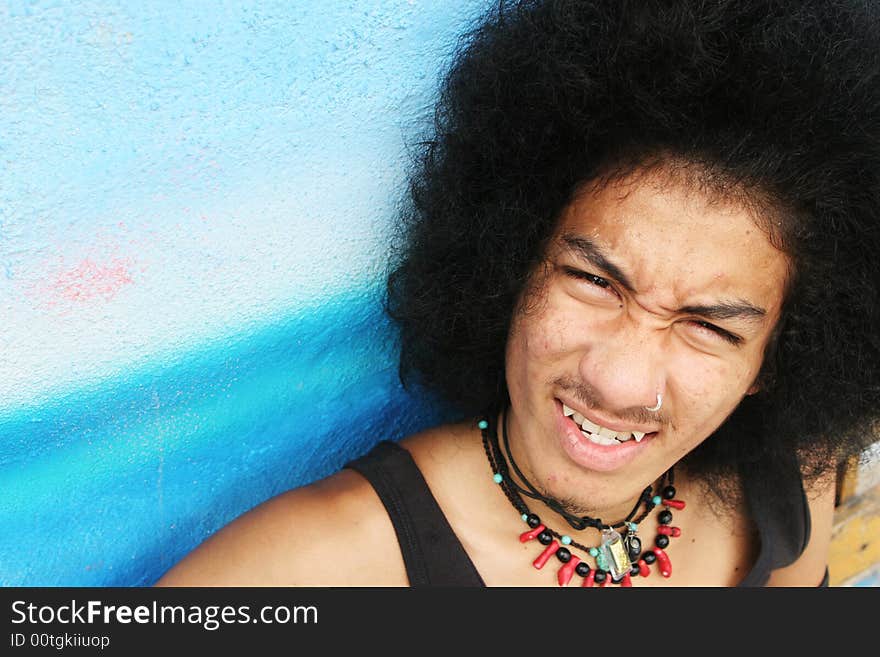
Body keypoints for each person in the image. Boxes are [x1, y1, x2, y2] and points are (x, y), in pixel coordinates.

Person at [156, 0, 880, 587]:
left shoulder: (788, 482)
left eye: (709, 327)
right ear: (510, 263)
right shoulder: (313, 565)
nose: (619, 382)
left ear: (777, 359)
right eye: (596, 281)